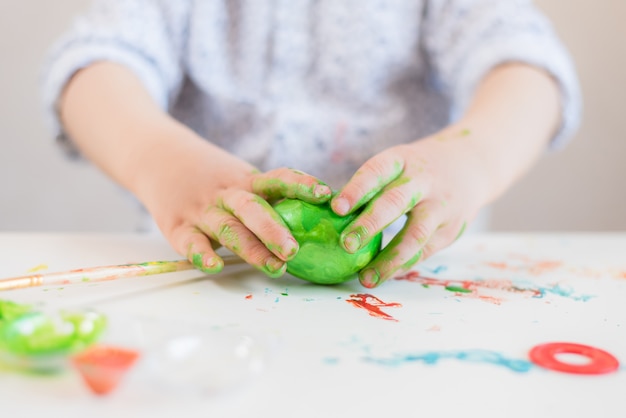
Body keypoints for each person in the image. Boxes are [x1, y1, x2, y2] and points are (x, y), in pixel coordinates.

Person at [42, 1, 581, 288]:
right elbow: (94, 64)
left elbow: (526, 65)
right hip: (206, 277)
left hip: (414, 283)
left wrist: (472, 160)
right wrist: (158, 160)